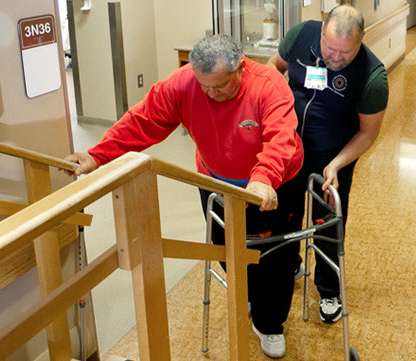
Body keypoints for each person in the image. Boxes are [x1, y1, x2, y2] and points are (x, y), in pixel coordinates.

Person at [63, 34, 305, 358]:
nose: (210, 94)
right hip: (215, 182)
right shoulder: (184, 83)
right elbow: (143, 120)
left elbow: (280, 139)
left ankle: (270, 321)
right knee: (225, 248)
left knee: (275, 256)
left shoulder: (268, 85)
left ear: (241, 69)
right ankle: (250, 291)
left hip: (273, 184)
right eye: (205, 86)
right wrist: (98, 155)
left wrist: (263, 179)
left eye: (219, 87)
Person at [267, 4, 389, 324]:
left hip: (332, 158)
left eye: (344, 53)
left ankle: (329, 290)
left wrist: (336, 164)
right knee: (284, 215)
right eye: (330, 48)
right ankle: (289, 264)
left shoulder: (372, 77)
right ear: (321, 32)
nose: (335, 58)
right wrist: (272, 116)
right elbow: (273, 67)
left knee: (327, 226)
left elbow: (367, 134)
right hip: (287, 151)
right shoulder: (299, 35)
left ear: (361, 42)